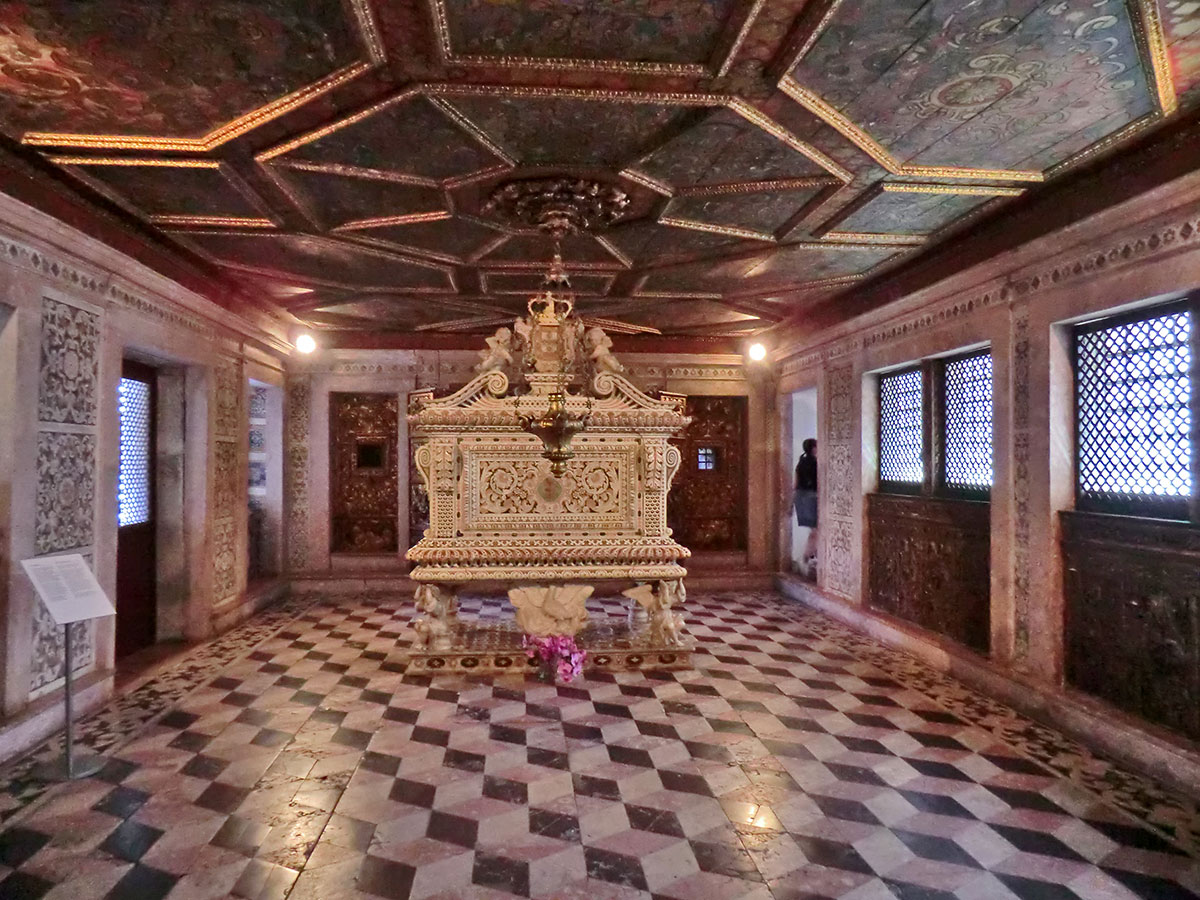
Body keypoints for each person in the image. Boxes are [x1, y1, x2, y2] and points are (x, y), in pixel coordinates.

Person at [794, 438, 818, 579]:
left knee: (815, 530)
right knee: (816, 531)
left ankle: (810, 558)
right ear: (814, 448)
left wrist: (792, 503)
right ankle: (805, 558)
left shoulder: (801, 462)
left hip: (801, 498)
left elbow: (795, 484)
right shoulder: (815, 464)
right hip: (811, 498)